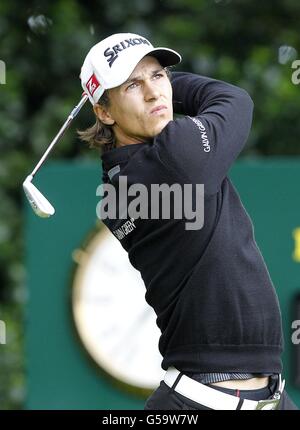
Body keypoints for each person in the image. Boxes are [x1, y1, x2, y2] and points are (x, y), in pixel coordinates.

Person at [79, 32, 298, 410]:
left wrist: (137, 89)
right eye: (133, 84)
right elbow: (234, 100)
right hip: (203, 402)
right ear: (104, 112)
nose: (153, 92)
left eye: (159, 75)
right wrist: (169, 91)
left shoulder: (116, 187)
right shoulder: (176, 157)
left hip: (265, 398)